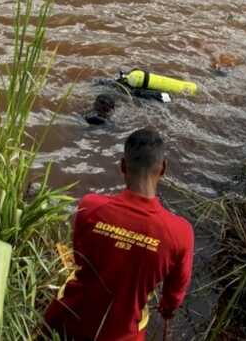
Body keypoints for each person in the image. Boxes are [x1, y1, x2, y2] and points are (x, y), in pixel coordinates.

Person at [44, 128, 194, 341]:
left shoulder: (90, 206)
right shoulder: (181, 232)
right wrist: (167, 308)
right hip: (123, 335)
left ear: (123, 165)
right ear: (163, 168)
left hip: (65, 321)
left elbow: (79, 257)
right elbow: (174, 295)